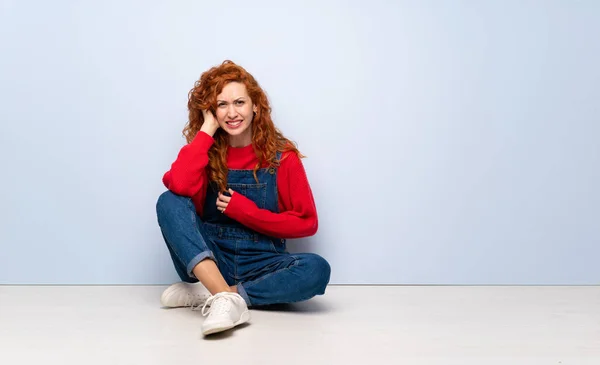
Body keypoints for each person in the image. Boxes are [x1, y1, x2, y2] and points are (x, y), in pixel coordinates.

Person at [156, 60, 331, 336]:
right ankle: (222, 291)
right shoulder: (206, 152)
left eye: (239, 102)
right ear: (212, 111)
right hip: (213, 259)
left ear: (255, 106)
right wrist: (206, 130)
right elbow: (178, 185)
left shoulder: (282, 158)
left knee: (317, 270)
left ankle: (216, 295)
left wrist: (244, 211)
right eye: (222, 104)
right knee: (169, 200)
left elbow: (307, 222)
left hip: (263, 265)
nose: (232, 112)